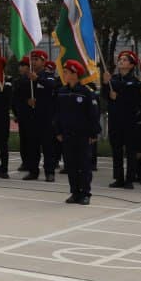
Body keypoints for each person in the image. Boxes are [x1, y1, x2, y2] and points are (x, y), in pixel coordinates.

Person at [54, 60, 100, 204]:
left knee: (84, 165)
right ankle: (75, 192)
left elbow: (93, 114)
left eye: (67, 72)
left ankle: (85, 193)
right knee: (71, 165)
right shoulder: (62, 92)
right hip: (67, 135)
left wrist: (93, 133)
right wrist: (58, 131)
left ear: (75, 74)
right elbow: (57, 113)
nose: (64, 74)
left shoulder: (86, 92)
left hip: (83, 135)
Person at [104, 50, 141, 188]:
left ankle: (130, 178)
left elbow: (133, 97)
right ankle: (118, 178)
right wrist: (105, 84)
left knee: (130, 151)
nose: (121, 61)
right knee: (116, 150)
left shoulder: (135, 81)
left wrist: (117, 95)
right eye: (120, 59)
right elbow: (105, 95)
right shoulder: (112, 79)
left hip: (130, 121)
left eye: (125, 60)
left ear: (132, 65)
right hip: (115, 120)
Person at [20, 50, 59, 182]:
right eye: (32, 59)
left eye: (37, 59)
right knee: (32, 146)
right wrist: (27, 100)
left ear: (43, 61)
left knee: (48, 146)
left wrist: (37, 79)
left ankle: (49, 172)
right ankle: (33, 171)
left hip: (46, 117)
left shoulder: (48, 75)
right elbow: (20, 93)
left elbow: (52, 86)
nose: (34, 62)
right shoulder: (27, 77)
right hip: (32, 117)